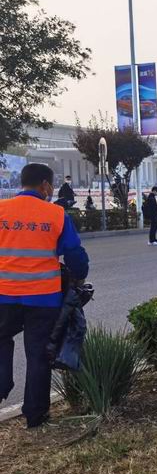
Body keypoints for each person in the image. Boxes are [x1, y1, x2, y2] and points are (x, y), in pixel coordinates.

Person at [0, 164, 89, 428]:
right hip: (44, 298)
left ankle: (2, 383)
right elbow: (74, 254)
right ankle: (35, 414)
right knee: (38, 354)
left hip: (3, 296)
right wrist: (80, 275)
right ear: (46, 186)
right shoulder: (56, 214)